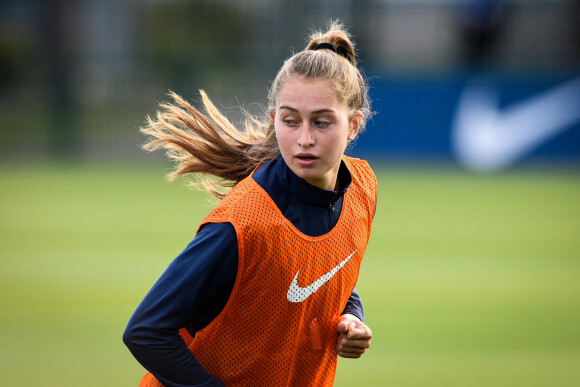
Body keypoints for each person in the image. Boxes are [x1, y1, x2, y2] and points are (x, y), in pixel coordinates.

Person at [123, 20, 377, 387]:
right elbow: (145, 332)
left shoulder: (363, 188)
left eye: (322, 122)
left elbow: (326, 273)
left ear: (353, 125)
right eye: (290, 121)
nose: (304, 139)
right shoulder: (242, 224)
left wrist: (351, 317)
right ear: (274, 120)